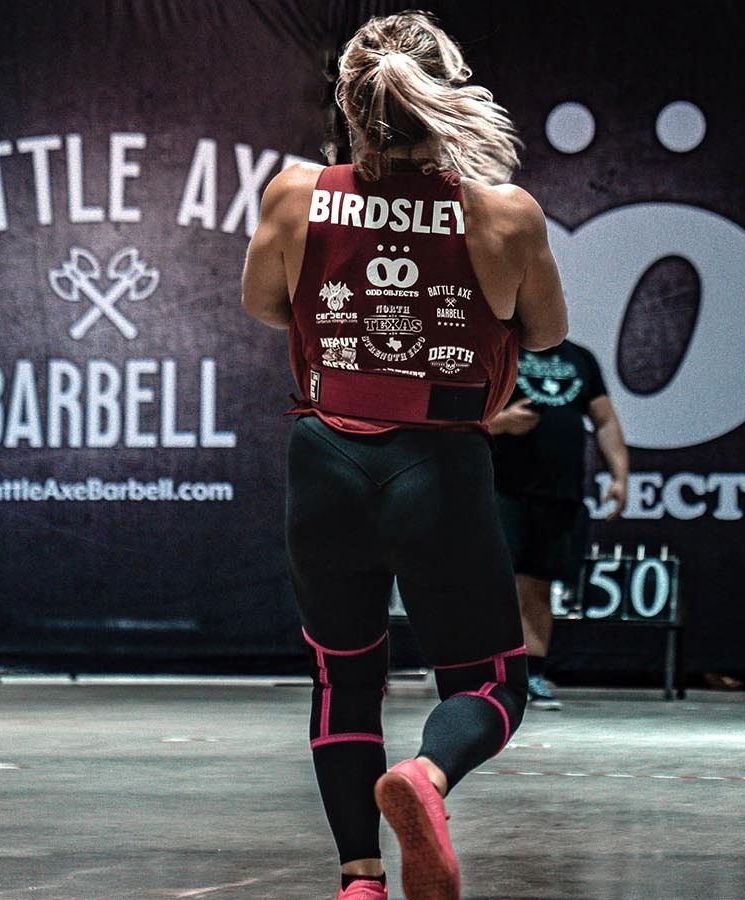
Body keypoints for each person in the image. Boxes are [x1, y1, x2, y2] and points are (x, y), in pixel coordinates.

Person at [240, 12, 567, 900]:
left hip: (326, 460)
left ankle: (359, 883)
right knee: (495, 681)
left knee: (343, 678)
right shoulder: (502, 214)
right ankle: (426, 777)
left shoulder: (294, 194)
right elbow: (548, 332)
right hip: (443, 465)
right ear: (445, 97)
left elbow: (268, 305)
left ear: (348, 103)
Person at [489, 340, 628, 709]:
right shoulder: (498, 350)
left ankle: (531, 675)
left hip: (558, 490)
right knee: (492, 585)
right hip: (502, 487)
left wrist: (620, 475)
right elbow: (456, 419)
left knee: (538, 585)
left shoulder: (579, 358)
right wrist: (501, 422)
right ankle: (485, 675)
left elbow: (604, 420)